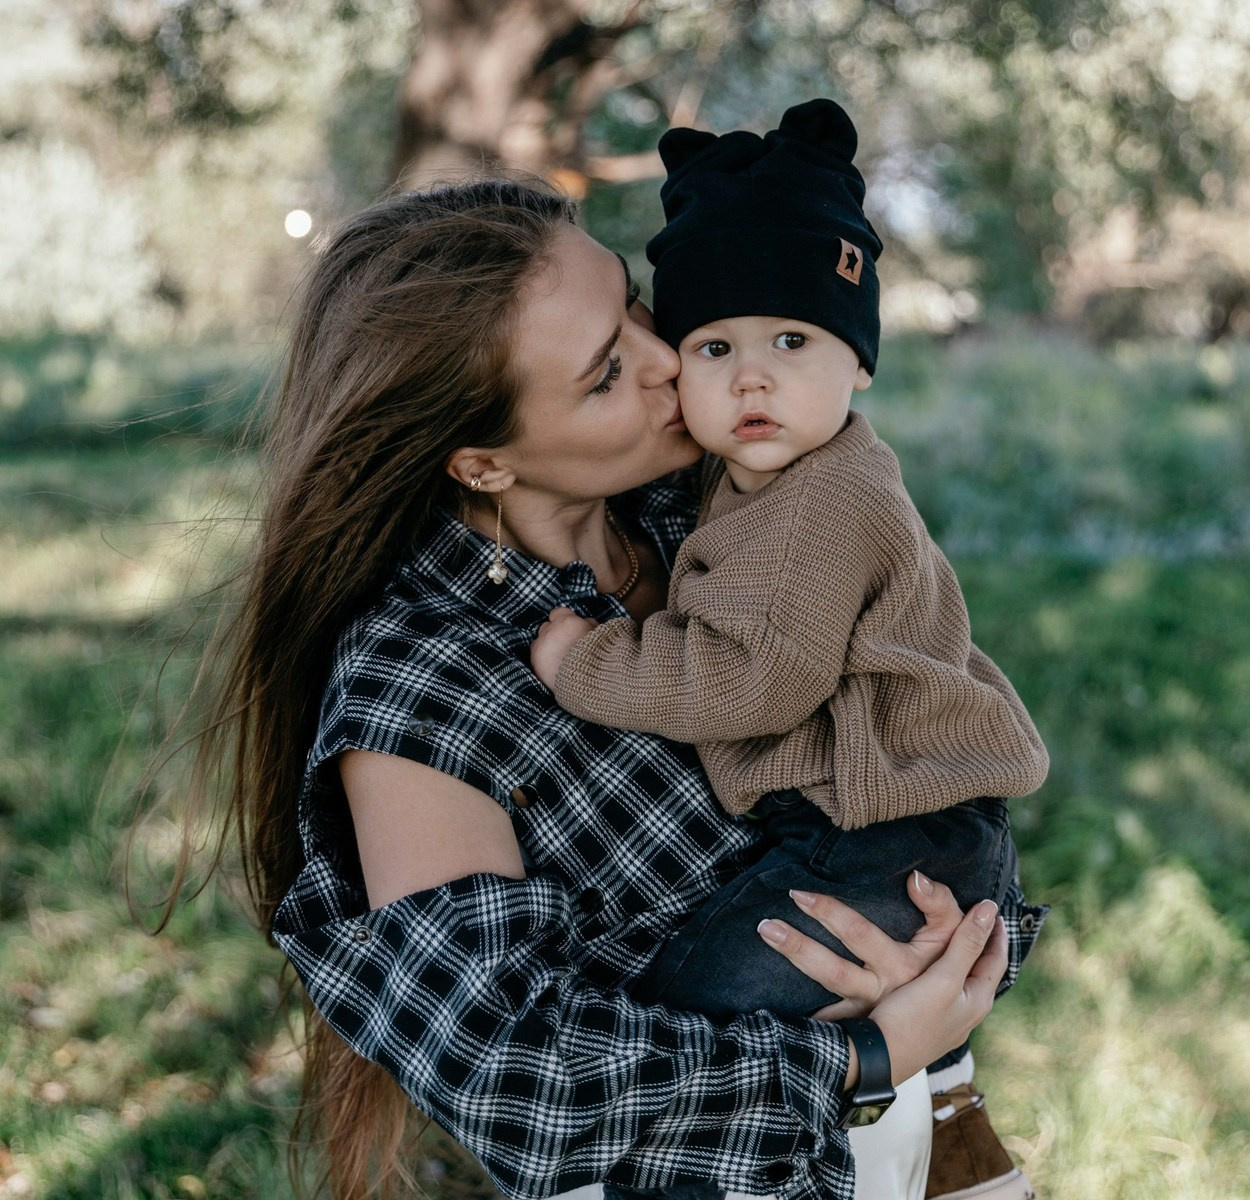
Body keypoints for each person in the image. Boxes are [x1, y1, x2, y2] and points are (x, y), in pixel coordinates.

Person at [186, 179, 1017, 1200]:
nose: (669, 354)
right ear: (482, 462)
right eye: (603, 373)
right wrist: (861, 1053)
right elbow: (516, 1072)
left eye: (629, 303)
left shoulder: (720, 500)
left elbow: (923, 730)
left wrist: (954, 943)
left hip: (934, 1145)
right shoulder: (423, 687)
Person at [529, 102, 1049, 1200]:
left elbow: (752, 677)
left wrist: (589, 663)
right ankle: (939, 1114)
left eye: (791, 341)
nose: (750, 378)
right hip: (883, 827)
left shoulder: (823, 505)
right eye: (713, 347)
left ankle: (879, 1129)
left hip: (888, 837)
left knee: (685, 1001)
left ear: (857, 363)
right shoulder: (749, 478)